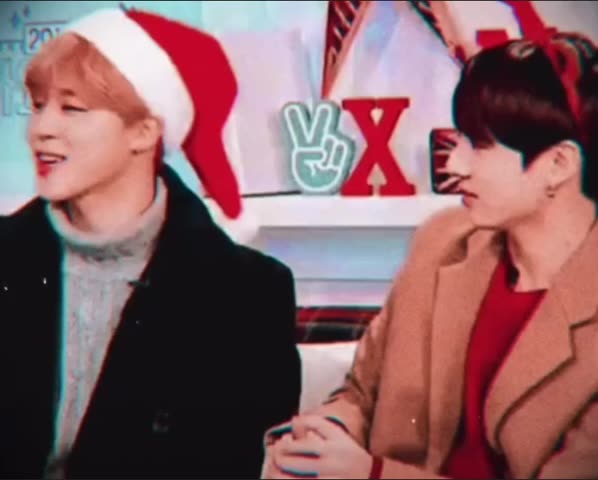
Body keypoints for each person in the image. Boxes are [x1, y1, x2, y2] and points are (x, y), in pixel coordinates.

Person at [262, 29, 598, 480]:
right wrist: (325, 436)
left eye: (480, 145)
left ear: (558, 165)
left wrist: (373, 474)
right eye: (459, 140)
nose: (454, 165)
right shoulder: (442, 243)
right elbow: (361, 394)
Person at [0, 7, 301, 479]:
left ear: (144, 131)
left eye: (72, 108)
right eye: (38, 106)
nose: (41, 129)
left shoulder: (247, 292)